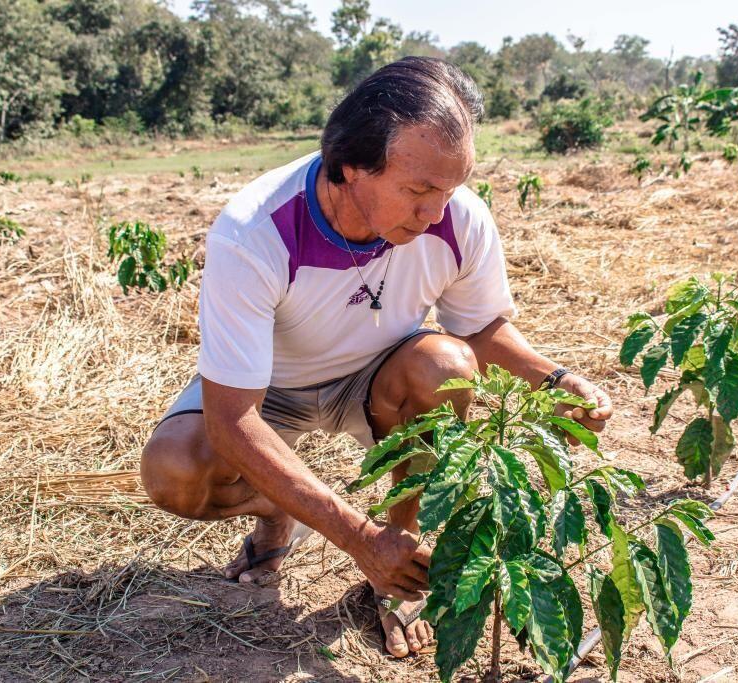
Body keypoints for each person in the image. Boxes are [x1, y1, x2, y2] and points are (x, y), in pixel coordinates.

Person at [140, 56, 613, 659]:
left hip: (378, 379)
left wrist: (559, 380)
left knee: (445, 366)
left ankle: (401, 546)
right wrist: (354, 536)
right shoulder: (257, 232)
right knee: (176, 474)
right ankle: (290, 514)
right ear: (349, 169)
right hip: (271, 389)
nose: (437, 213)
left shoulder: (454, 217)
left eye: (451, 188)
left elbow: (483, 327)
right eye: (417, 190)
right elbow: (234, 420)